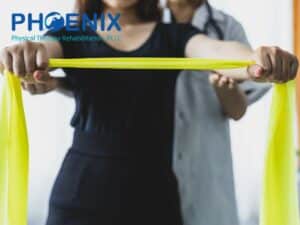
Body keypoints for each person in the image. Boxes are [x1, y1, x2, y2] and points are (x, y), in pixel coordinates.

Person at [0, 0, 298, 225]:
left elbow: (218, 52)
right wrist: (28, 52)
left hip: (154, 195)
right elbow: (44, 50)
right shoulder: (73, 32)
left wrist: (254, 59)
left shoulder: (175, 35)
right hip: (81, 193)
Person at [164, 1, 271, 225]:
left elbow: (238, 109)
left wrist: (227, 91)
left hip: (207, 173)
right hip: (151, 170)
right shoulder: (140, 20)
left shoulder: (227, 28)